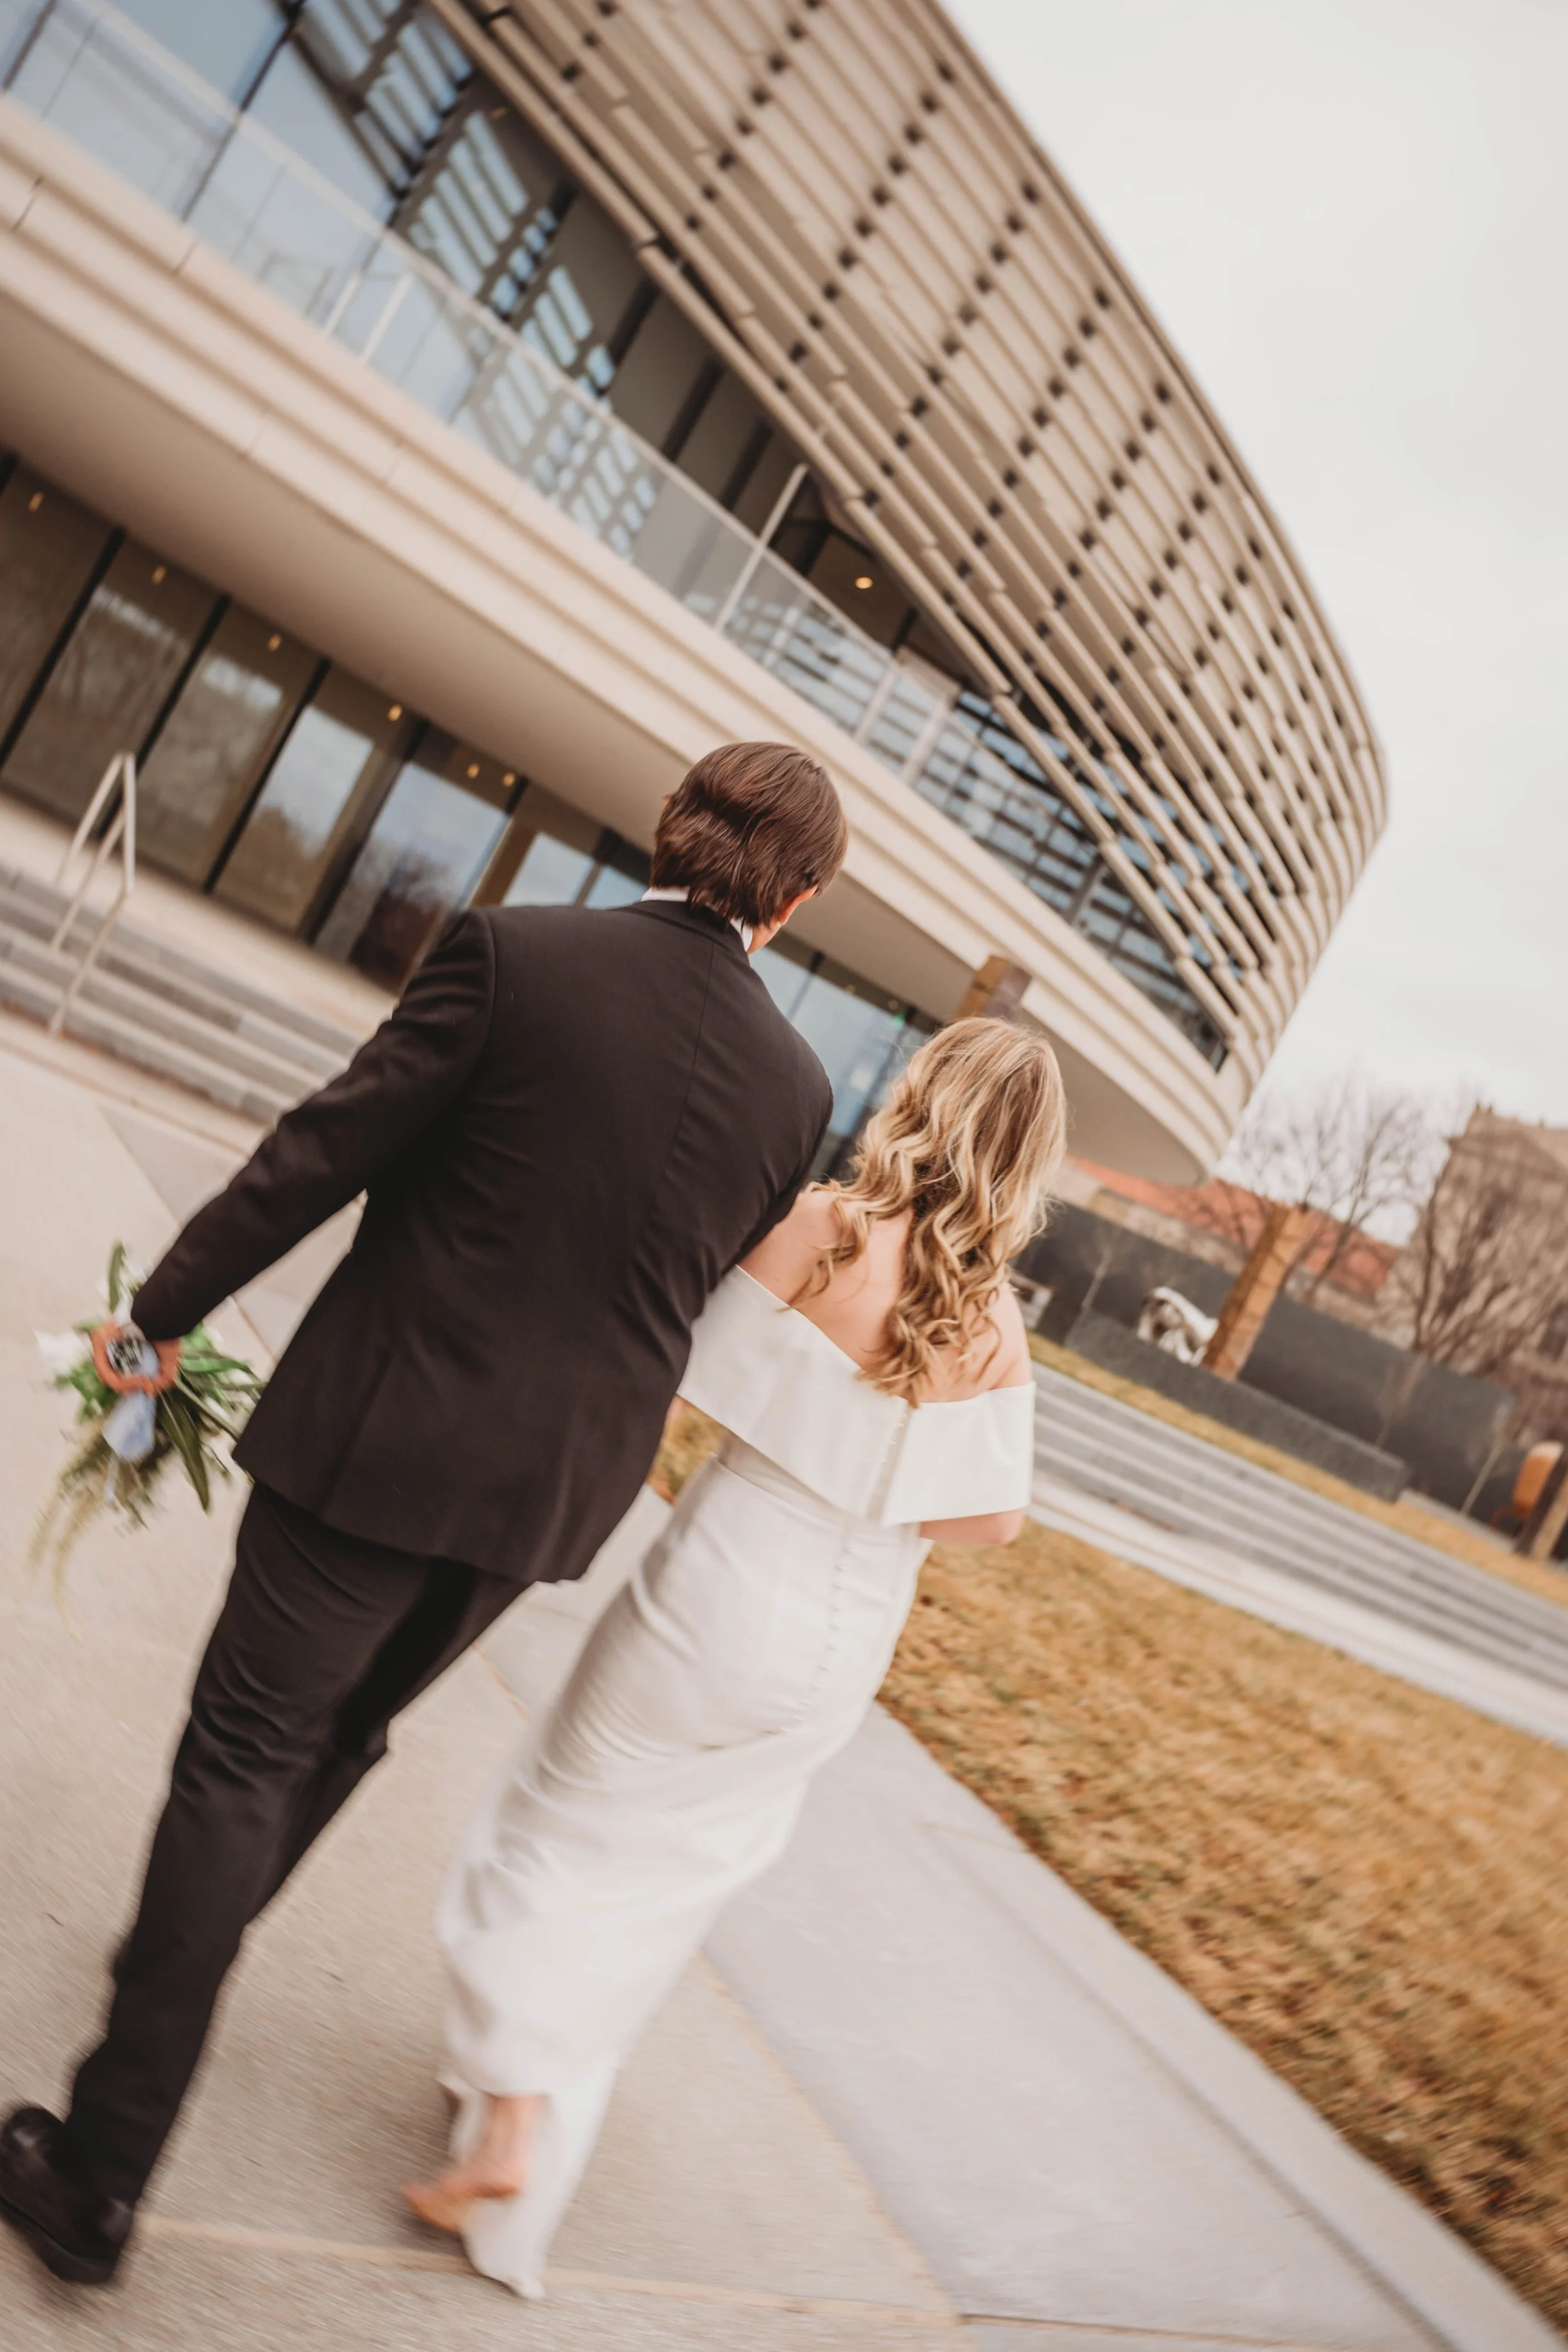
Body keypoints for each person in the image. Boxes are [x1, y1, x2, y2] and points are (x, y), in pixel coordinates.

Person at [0, 742, 846, 2289]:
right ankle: (170, 1970)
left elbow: (324, 1151)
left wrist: (160, 1312)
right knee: (332, 1742)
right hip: (543, 1502)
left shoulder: (515, 954)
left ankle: (98, 2174)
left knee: (241, 1763)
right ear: (793, 905)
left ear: (669, 827)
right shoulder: (797, 1093)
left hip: (380, 1442)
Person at [403, 1015, 1066, 2299]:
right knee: (664, 1876)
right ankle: (516, 2100)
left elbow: (673, 1362)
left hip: (724, 1579)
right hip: (843, 1636)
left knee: (556, 1817)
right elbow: (991, 1518)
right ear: (1025, 1161)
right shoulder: (991, 1321)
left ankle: (513, 2107)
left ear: (921, 1097)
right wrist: (882, 1485)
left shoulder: (824, 1227)